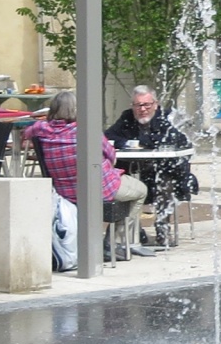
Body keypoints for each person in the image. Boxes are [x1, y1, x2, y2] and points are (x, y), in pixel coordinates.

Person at [26, 90, 149, 255]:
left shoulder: (40, 129)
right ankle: (114, 242)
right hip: (100, 189)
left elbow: (26, 134)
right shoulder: (87, 130)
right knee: (141, 190)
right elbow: (112, 157)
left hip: (65, 193)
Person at [104, 86, 195, 246]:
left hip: (166, 172)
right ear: (132, 106)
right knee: (123, 182)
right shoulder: (127, 117)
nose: (142, 109)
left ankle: (163, 231)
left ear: (155, 104)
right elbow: (108, 136)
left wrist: (142, 143)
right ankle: (134, 232)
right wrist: (129, 143)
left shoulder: (166, 118)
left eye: (147, 105)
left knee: (165, 182)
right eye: (138, 105)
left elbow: (178, 141)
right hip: (136, 171)